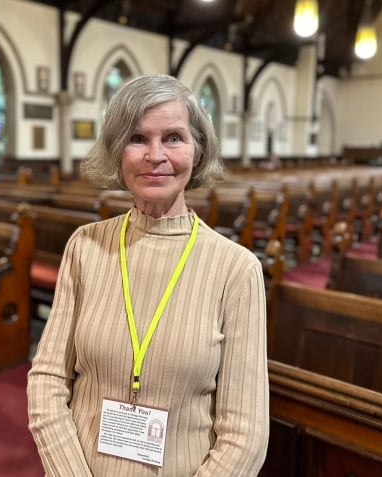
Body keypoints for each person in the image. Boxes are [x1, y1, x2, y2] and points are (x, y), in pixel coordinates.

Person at [27, 74, 269, 476]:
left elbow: (245, 434)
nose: (155, 154)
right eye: (137, 138)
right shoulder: (85, 247)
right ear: (117, 151)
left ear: (198, 150)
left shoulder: (237, 269)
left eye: (173, 137)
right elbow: (47, 381)